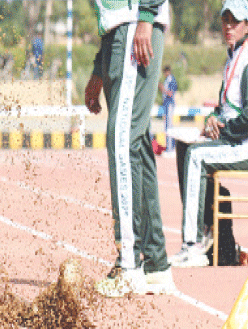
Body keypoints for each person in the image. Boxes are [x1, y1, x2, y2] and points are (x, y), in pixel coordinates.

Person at [84, 0, 176, 297]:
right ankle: (155, 264)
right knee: (135, 143)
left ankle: (128, 265)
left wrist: (146, 17)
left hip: (135, 24)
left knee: (122, 141)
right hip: (122, 31)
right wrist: (100, 65)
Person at [171, 0, 248, 268]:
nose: (228, 26)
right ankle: (215, 234)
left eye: (235, 21)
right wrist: (213, 119)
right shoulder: (232, 58)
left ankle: (192, 245)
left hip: (242, 144)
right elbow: (223, 105)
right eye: (225, 20)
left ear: (246, 25)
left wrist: (224, 128)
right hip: (229, 137)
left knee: (195, 156)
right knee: (184, 147)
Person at [159, 65, 178, 156]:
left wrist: (163, 89)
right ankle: (169, 147)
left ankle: (170, 148)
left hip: (170, 104)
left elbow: (170, 93)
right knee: (166, 125)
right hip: (166, 105)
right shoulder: (167, 80)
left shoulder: (172, 80)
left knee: (169, 126)